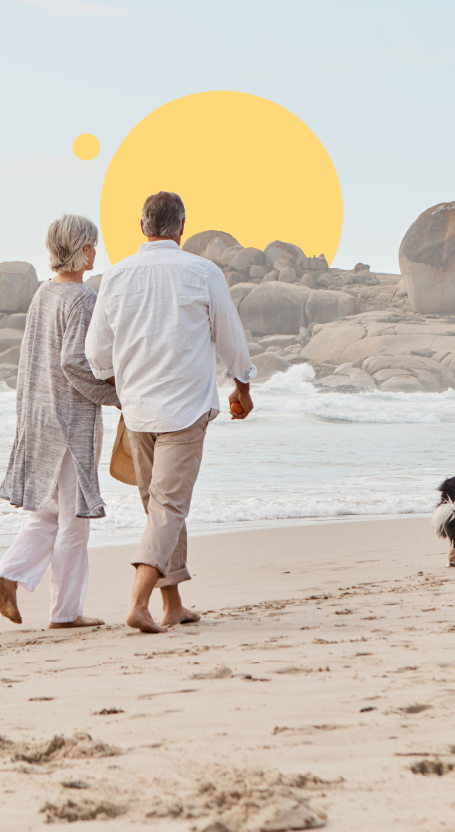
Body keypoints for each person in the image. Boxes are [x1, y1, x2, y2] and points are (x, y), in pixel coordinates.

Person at [84, 191, 257, 634]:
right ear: (181, 228)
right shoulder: (202, 271)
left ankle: (173, 605)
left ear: (142, 227)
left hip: (137, 409)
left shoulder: (116, 275)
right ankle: (139, 604)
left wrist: (119, 387)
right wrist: (242, 386)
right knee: (167, 508)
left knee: (161, 508)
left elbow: (97, 353)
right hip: (185, 407)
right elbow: (229, 335)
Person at [0, 214, 120, 629]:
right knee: (75, 519)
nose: (95, 252)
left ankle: (9, 575)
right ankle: (66, 613)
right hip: (69, 420)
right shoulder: (82, 299)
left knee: (49, 512)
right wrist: (117, 396)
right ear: (82, 249)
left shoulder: (43, 295)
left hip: (39, 414)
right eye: (92, 245)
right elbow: (75, 362)